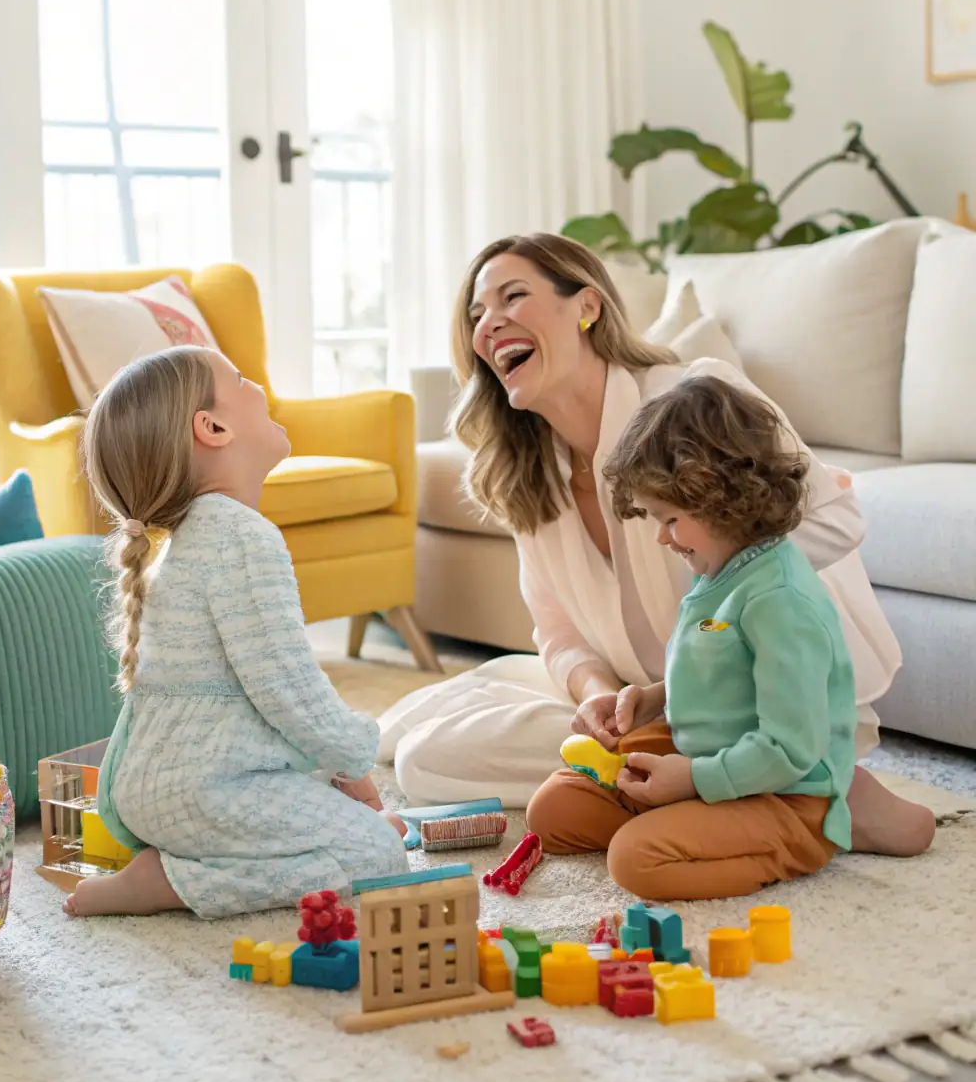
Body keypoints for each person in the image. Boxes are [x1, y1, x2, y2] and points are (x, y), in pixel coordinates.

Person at [378, 232, 935, 857]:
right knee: (416, 737)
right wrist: (598, 701)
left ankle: (780, 788)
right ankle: (707, 788)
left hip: (756, 700)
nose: (489, 325)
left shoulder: (694, 397)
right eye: (477, 315)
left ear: (586, 306)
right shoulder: (525, 469)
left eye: (514, 296)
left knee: (427, 757)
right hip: (643, 698)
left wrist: (725, 614)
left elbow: (836, 521)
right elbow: (557, 635)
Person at [64, 346, 407, 918]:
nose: (259, 388)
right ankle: (168, 882)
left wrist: (333, 778)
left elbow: (252, 706)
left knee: (352, 826)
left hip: (163, 787)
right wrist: (353, 759)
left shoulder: (190, 541)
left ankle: (183, 855)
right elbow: (288, 688)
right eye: (243, 379)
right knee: (378, 856)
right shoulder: (240, 537)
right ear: (213, 427)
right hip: (204, 792)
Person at [528, 373, 879, 899]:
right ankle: (691, 822)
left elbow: (789, 747)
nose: (660, 536)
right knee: (553, 812)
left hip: (782, 793)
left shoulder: (779, 600)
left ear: (721, 497)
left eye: (669, 518)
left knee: (635, 860)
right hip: (708, 759)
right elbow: (722, 671)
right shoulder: (720, 569)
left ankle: (798, 843)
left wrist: (692, 781)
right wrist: (649, 700)